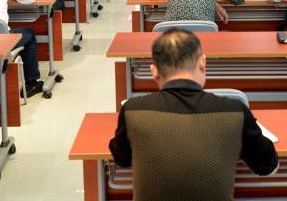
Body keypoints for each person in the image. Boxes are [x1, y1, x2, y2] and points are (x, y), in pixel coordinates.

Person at [109, 29, 278, 199]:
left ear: (154, 71)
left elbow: (122, 159)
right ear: (202, 62)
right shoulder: (235, 112)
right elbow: (269, 167)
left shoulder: (132, 110)